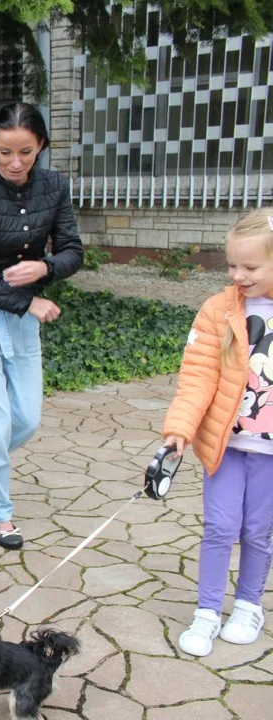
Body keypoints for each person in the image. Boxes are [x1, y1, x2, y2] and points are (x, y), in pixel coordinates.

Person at [0, 102, 83, 550]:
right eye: (5, 151)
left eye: (26, 151)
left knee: (25, 418)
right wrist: (28, 304)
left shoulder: (55, 186)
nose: (15, 162)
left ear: (41, 146)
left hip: (24, 312)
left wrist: (43, 268)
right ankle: (0, 514)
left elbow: (72, 251)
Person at [164, 207, 273, 657]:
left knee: (258, 530)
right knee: (219, 528)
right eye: (232, 265)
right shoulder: (217, 310)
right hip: (226, 446)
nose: (237, 274)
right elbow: (197, 377)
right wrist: (179, 429)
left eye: (250, 266)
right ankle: (207, 611)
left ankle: (248, 605)